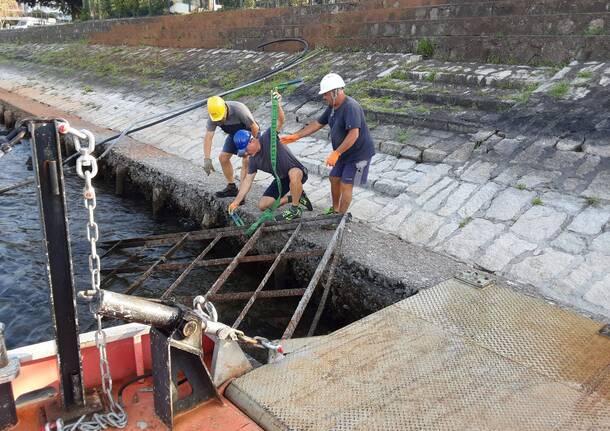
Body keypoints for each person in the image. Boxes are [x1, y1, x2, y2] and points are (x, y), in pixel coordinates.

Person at [280, 73, 375, 214]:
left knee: (346, 185)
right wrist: (296, 136)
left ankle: (339, 217)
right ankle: (335, 210)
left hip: (359, 155)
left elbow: (353, 135)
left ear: (335, 92)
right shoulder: (333, 106)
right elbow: (318, 123)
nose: (324, 97)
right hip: (344, 153)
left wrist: (336, 153)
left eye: (326, 94)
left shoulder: (351, 107)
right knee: (334, 178)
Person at [228, 93, 313, 221]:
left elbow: (280, 121)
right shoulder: (253, 159)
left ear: (251, 141)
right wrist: (236, 202)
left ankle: (295, 210)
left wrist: (277, 105)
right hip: (281, 180)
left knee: (293, 173)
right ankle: (294, 197)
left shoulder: (268, 137)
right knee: (263, 205)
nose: (245, 153)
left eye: (245, 149)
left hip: (297, 171)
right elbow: (247, 182)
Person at [203, 96, 260, 198]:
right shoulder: (214, 116)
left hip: (249, 133)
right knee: (223, 158)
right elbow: (208, 138)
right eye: (218, 119)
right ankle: (231, 188)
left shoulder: (239, 110)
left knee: (246, 160)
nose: (221, 120)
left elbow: (254, 127)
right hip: (234, 134)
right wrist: (207, 159)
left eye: (222, 117)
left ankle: (241, 194)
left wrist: (253, 145)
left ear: (225, 108)